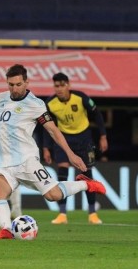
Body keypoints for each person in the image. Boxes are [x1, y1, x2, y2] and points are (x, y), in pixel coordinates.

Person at [0, 64, 107, 239]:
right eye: (11, 84)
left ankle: (86, 183)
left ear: (26, 82)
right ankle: (6, 230)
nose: (14, 88)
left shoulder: (36, 105)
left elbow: (53, 130)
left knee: (53, 195)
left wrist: (70, 154)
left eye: (18, 84)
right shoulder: (1, 99)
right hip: (3, 163)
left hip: (26, 161)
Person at [42, 72, 108, 225]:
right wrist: (46, 147)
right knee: (62, 172)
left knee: (86, 174)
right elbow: (47, 127)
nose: (59, 89)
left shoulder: (81, 97)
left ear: (68, 85)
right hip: (64, 139)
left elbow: (97, 115)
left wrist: (103, 136)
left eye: (62, 85)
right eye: (56, 86)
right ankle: (62, 214)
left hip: (84, 138)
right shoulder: (50, 103)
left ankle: (92, 213)